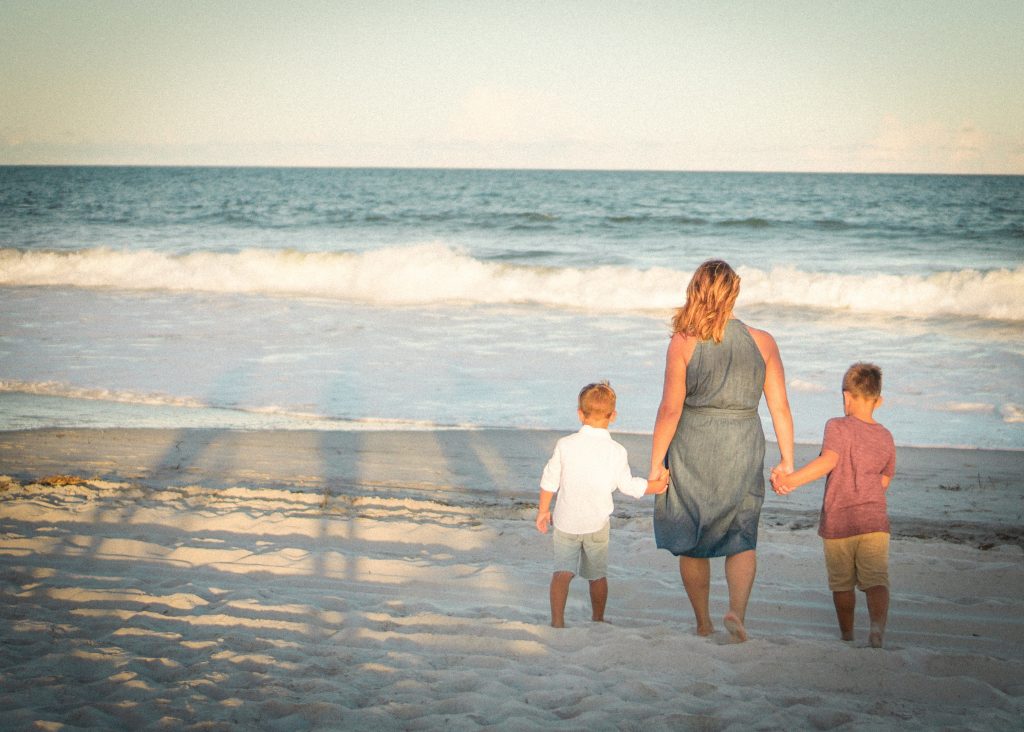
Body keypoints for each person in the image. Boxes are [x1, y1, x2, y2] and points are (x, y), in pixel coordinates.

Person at [649, 259, 794, 642]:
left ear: (695, 290)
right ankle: (737, 612)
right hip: (743, 441)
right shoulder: (763, 341)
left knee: (692, 536)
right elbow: (780, 407)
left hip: (693, 443)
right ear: (734, 292)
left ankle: (703, 622)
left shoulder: (683, 342)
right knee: (740, 533)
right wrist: (788, 461)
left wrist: (654, 466)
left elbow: (670, 409)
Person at [771, 362, 896, 648]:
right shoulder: (886, 436)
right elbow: (885, 480)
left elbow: (828, 461)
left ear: (845, 396)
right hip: (874, 521)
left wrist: (790, 480)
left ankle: (847, 633)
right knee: (876, 579)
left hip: (838, 520)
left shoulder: (836, 426)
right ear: (879, 401)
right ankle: (876, 629)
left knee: (841, 584)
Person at [536, 381, 669, 628]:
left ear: (580, 414)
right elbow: (628, 485)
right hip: (597, 523)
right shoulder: (616, 450)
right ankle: (597, 618)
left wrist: (543, 511)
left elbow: (549, 481)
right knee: (597, 575)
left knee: (562, 573)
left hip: (566, 522)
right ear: (614, 416)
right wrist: (656, 486)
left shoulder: (565, 445)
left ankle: (557, 622)